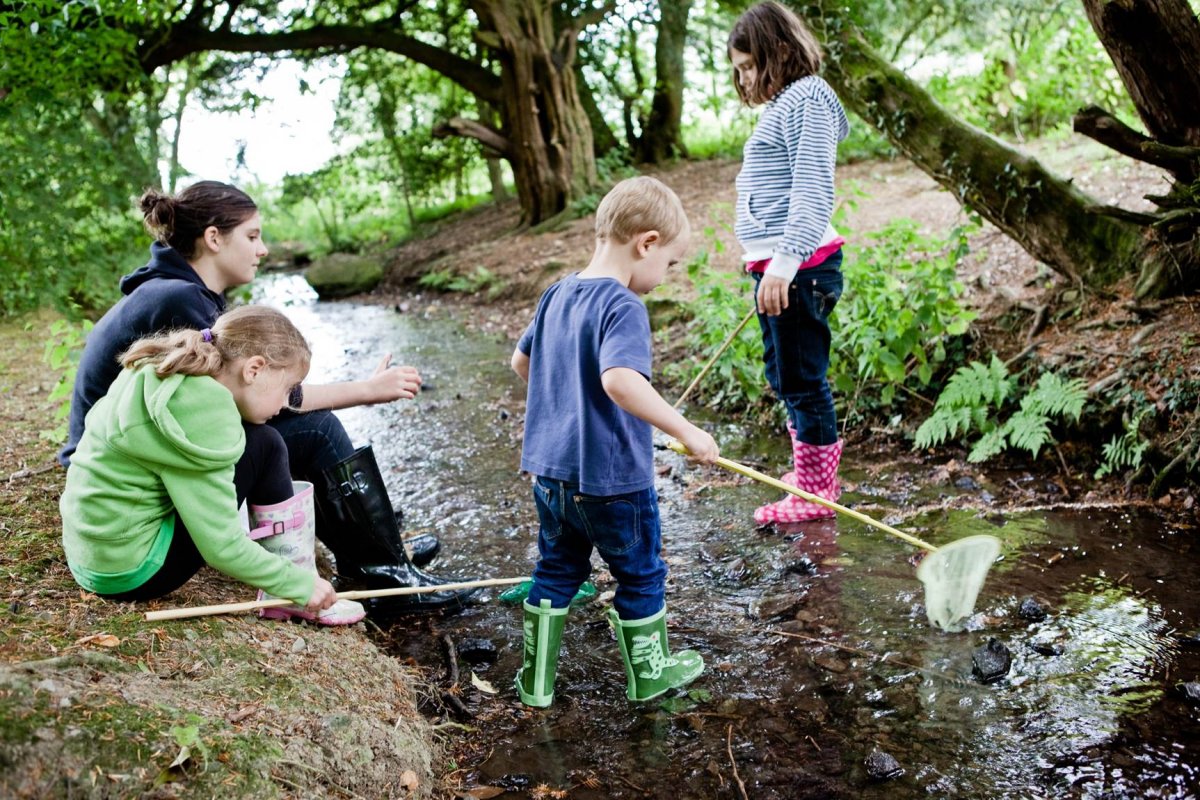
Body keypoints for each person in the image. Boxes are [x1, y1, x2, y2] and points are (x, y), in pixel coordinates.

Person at [59, 181, 477, 615]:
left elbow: (267, 391)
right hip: (131, 509)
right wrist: (365, 391)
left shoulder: (183, 300)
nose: (263, 250)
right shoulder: (180, 302)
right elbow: (266, 404)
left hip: (120, 477)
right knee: (312, 430)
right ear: (214, 238)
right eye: (253, 236)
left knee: (286, 430)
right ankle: (380, 569)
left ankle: (378, 555)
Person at [510, 176, 720, 706]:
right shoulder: (623, 305)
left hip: (552, 476)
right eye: (669, 263)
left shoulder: (557, 293)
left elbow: (521, 363)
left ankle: (535, 683)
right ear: (645, 242)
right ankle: (649, 677)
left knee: (556, 569)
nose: (664, 276)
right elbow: (621, 381)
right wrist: (686, 430)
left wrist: (563, 397)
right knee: (641, 573)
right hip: (613, 483)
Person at [60, 305, 366, 625]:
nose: (286, 403)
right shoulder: (210, 415)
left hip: (92, 555)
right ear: (254, 369)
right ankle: (290, 588)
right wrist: (298, 585)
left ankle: (286, 568)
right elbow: (221, 547)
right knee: (266, 444)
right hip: (133, 570)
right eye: (288, 388)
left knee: (259, 440)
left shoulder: (162, 368)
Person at [728, 1, 851, 525]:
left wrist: (782, 262)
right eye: (736, 70)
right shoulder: (786, 105)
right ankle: (808, 478)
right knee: (783, 375)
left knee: (803, 379)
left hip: (799, 271)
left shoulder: (808, 97)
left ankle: (818, 494)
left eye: (749, 65)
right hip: (780, 268)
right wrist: (760, 259)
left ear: (779, 50)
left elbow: (811, 187)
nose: (744, 79)